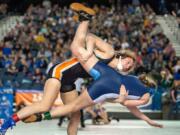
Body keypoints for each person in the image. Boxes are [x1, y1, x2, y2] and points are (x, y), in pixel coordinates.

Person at [0, 3, 136, 135]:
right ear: (123, 57)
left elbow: (105, 95)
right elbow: (90, 37)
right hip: (59, 72)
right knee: (44, 106)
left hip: (69, 82)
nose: (128, 65)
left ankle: (84, 18)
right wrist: (89, 51)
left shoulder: (108, 73)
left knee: (76, 115)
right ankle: (6, 124)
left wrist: (120, 99)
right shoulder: (109, 52)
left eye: (130, 67)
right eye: (129, 62)